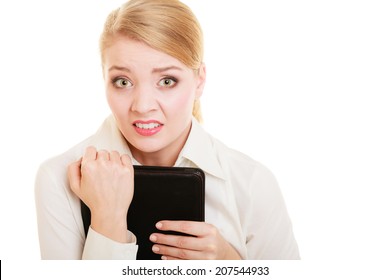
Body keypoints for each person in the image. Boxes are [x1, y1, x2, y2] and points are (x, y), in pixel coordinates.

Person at [35, 0, 300, 260]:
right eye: (123, 81)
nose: (143, 106)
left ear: (199, 80)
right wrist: (108, 219)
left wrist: (227, 262)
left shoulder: (252, 183)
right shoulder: (58, 178)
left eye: (166, 80)